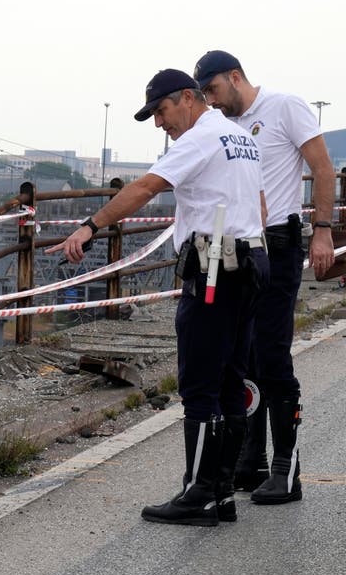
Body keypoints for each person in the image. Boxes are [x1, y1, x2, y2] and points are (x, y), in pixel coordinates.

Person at [48, 69, 268, 526]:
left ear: (188, 98)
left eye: (161, 111)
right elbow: (260, 202)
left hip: (214, 269)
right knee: (230, 381)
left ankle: (199, 494)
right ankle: (221, 493)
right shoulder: (238, 136)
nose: (159, 124)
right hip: (249, 264)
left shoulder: (200, 137)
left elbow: (146, 187)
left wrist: (90, 227)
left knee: (200, 385)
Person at [193, 50, 336, 506]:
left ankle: (286, 468)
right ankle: (250, 459)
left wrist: (323, 232)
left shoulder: (284, 106)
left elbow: (323, 168)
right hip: (243, 245)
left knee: (272, 355)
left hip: (281, 241)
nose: (211, 102)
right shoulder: (223, 125)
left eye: (214, 90)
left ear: (235, 77)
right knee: (244, 355)